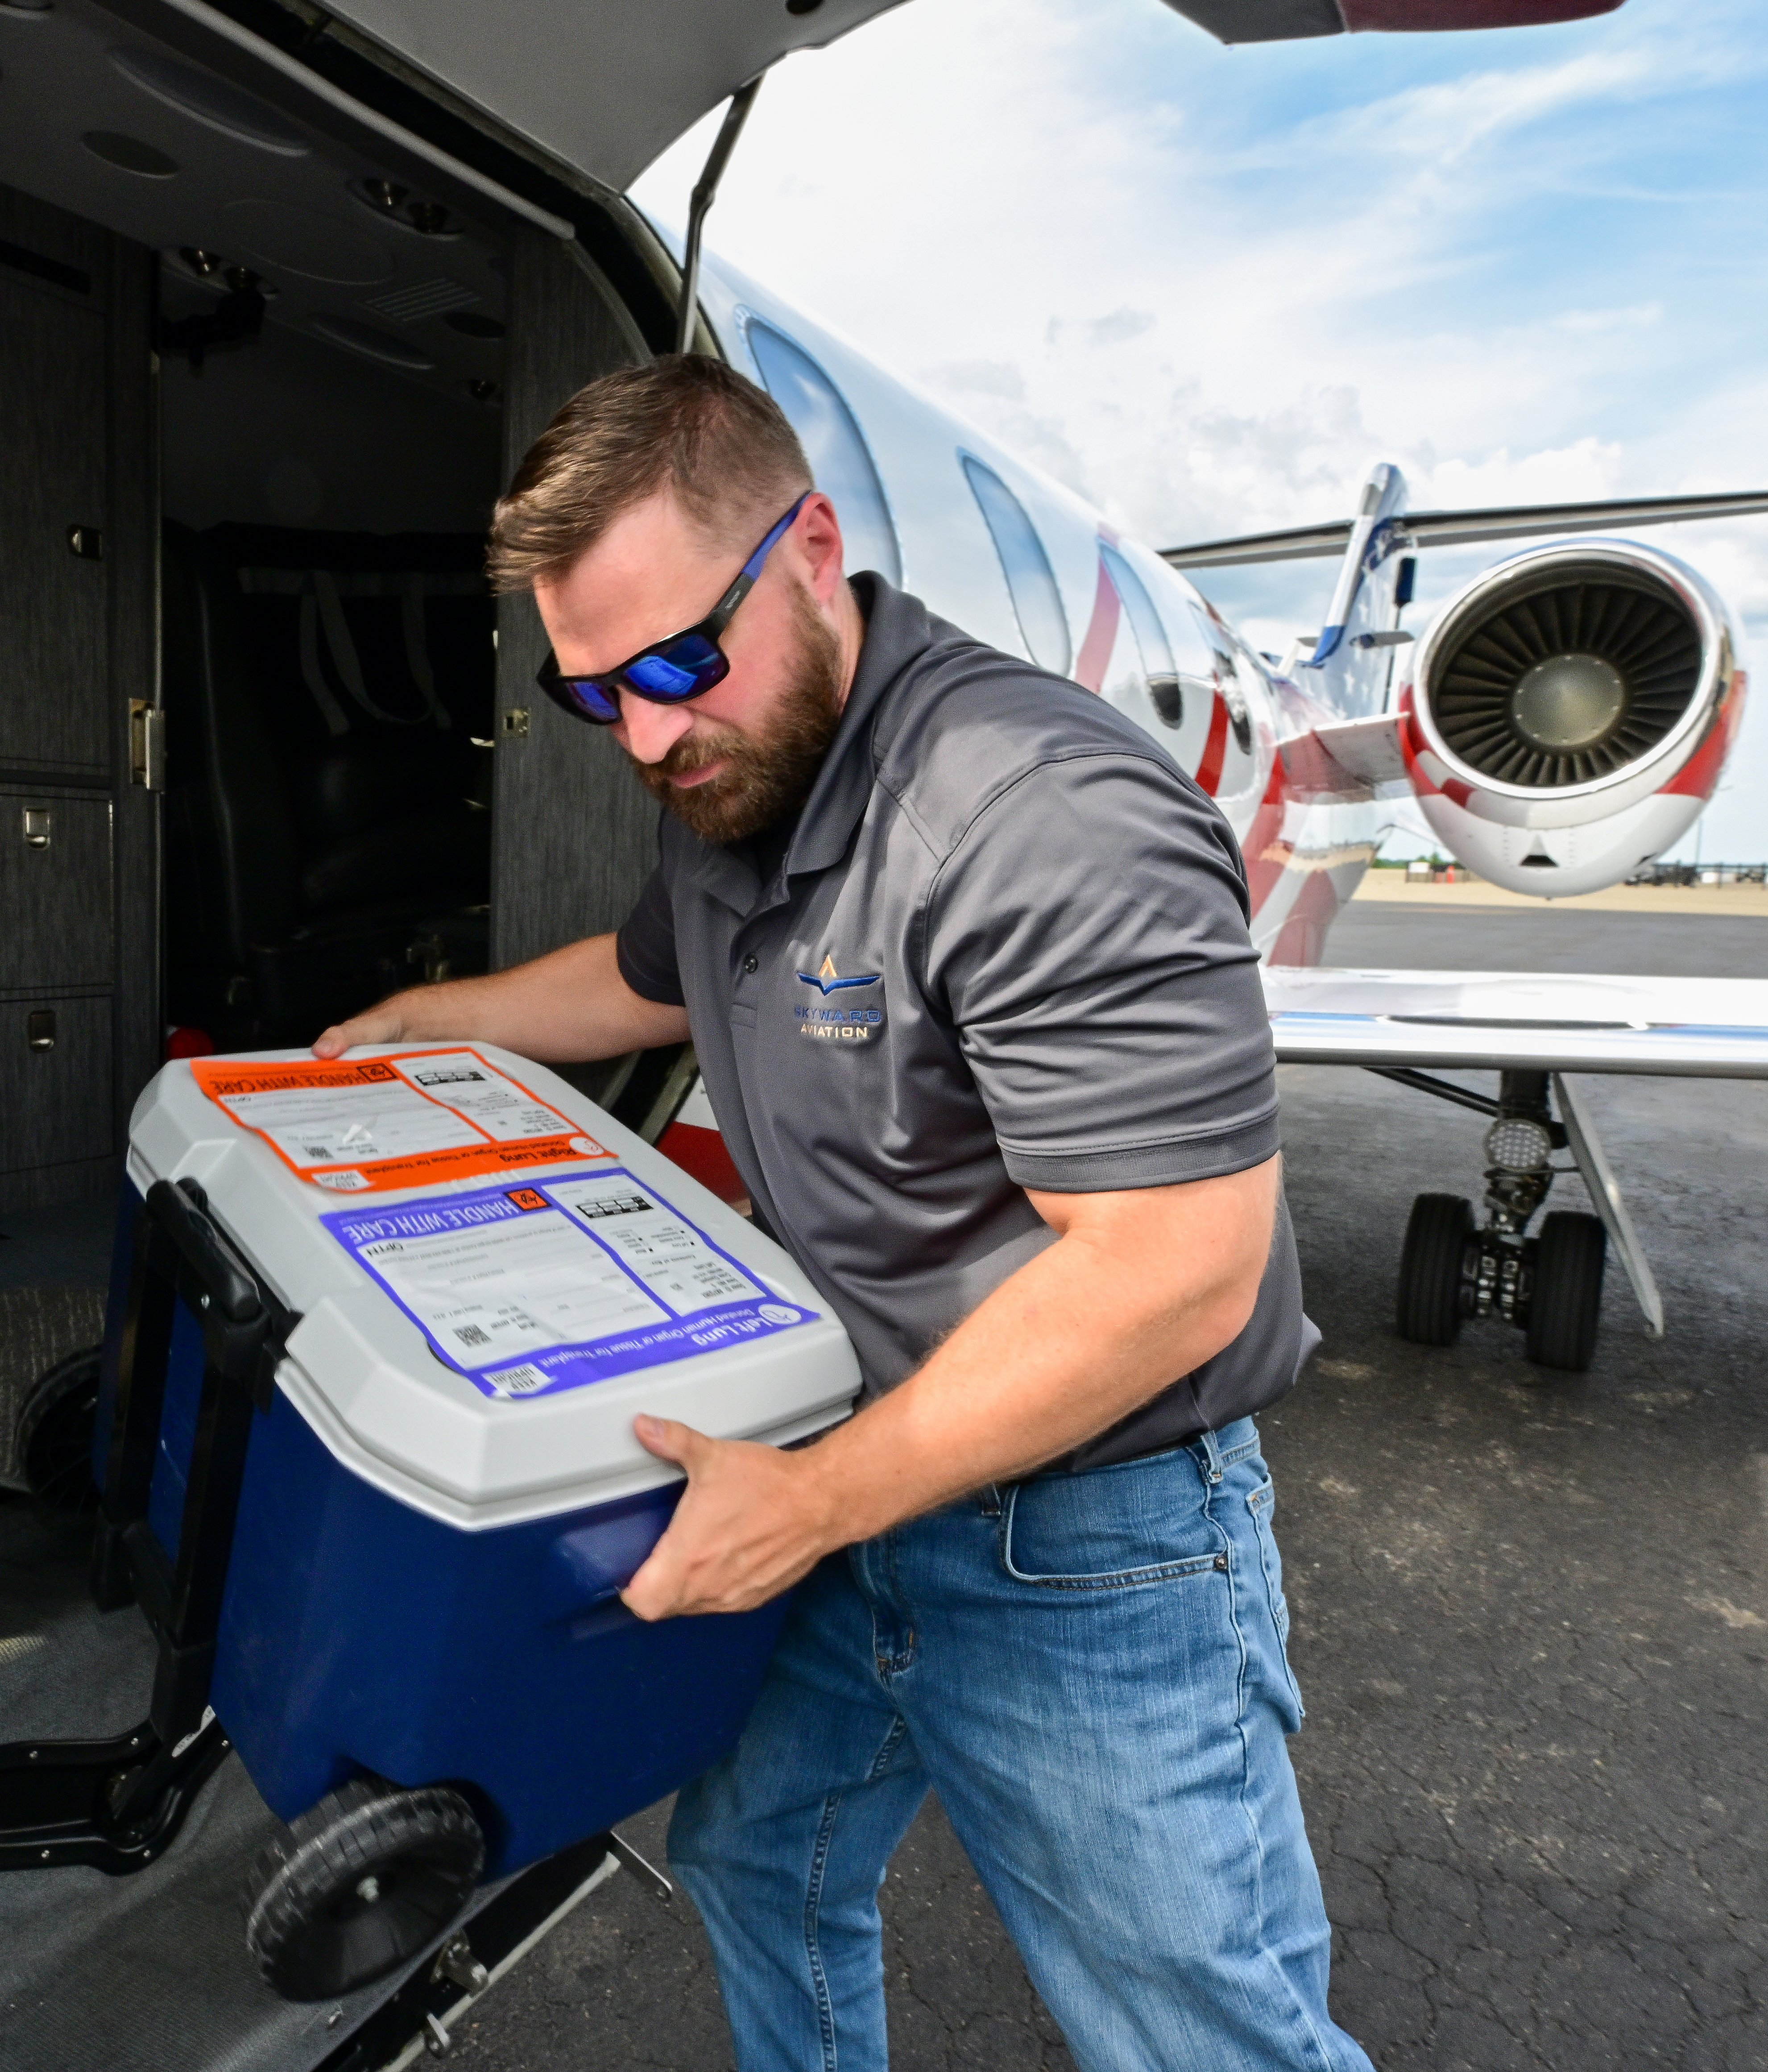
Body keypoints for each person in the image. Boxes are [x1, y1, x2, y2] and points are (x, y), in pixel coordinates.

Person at [313, 355, 1368, 2072]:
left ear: (811, 548)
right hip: (858, 1470)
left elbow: (1175, 1275)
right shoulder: (743, 770)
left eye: (673, 665)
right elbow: (644, 982)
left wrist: (804, 1505)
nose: (647, 734)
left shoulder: (1041, 818)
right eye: (596, 696)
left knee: (1199, 2034)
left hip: (1084, 1535)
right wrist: (440, 1017)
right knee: (757, 1857)